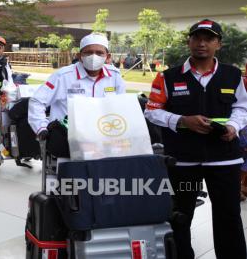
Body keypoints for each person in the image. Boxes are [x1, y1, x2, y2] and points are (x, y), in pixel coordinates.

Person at [144, 19, 247, 259]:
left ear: (218, 44)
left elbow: (242, 108)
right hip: (182, 161)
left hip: (224, 160)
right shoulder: (167, 77)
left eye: (209, 39)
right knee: (180, 215)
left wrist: (233, 126)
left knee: (229, 216)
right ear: (189, 41)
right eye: (196, 38)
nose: (202, 43)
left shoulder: (233, 75)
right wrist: (182, 121)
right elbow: (151, 110)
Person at [28, 33, 126, 139]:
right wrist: (41, 129)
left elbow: (121, 107)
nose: (94, 56)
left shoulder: (115, 76)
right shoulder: (62, 76)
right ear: (79, 56)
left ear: (108, 57)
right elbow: (37, 101)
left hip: (103, 136)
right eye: (88, 52)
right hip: (66, 138)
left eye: (99, 53)